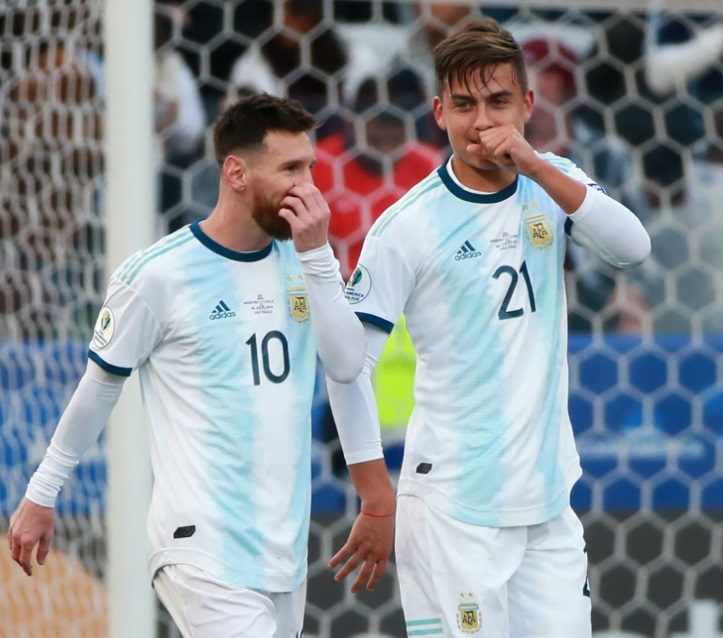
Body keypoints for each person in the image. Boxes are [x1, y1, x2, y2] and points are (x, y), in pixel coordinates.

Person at [8, 94, 395, 637]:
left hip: (281, 550)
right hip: (201, 545)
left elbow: (348, 365)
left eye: (310, 167)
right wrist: (42, 493)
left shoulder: (306, 259)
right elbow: (98, 390)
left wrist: (316, 256)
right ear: (236, 173)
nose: (308, 187)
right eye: (290, 169)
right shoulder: (158, 275)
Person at [327, 19, 651, 637]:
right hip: (455, 510)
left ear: (527, 104)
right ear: (438, 112)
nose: (482, 123)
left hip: (547, 503)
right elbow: (348, 368)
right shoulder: (407, 226)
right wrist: (374, 493)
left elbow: (633, 248)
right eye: (464, 105)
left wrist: (536, 166)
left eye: (498, 102)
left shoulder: (552, 180)